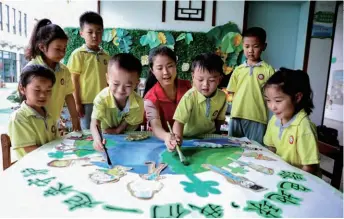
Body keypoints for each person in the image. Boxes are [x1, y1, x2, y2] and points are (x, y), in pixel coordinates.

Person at [25, 18, 80, 130]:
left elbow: (68, 95)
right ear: (42, 47)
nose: (62, 53)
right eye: (57, 48)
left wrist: (75, 118)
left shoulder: (64, 71)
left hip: (52, 124)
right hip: (32, 124)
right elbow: (23, 99)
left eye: (64, 48)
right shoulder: (31, 69)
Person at [263, 68, 320, 175]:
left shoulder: (303, 127)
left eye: (278, 101)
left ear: (297, 97)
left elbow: (310, 167)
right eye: (268, 100)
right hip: (280, 173)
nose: (272, 107)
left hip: (300, 180)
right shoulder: (275, 119)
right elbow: (271, 148)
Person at [227, 27, 275, 144]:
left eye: (255, 46)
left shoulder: (268, 70)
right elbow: (230, 93)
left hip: (257, 118)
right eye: (247, 46)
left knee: (255, 150)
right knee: (232, 148)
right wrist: (230, 110)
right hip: (236, 115)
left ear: (264, 46)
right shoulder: (238, 70)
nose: (250, 50)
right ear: (242, 46)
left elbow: (273, 96)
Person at [91, 53, 144, 151]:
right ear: (107, 79)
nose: (121, 90)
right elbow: (95, 122)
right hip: (106, 134)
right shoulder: (101, 99)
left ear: (137, 83)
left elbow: (128, 122)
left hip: (128, 136)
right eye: (116, 84)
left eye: (128, 86)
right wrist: (97, 139)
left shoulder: (138, 102)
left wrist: (117, 130)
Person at [172, 53, 227, 146]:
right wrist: (177, 140)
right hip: (188, 139)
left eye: (212, 80)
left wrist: (218, 136)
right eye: (200, 80)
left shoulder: (222, 96)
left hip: (210, 138)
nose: (205, 84)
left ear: (219, 79)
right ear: (193, 77)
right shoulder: (189, 97)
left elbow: (219, 121)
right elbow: (179, 122)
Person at [67, 11, 110, 130]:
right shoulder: (78, 54)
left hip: (104, 101)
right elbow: (73, 80)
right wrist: (77, 103)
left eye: (98, 31)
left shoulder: (106, 56)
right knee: (88, 132)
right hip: (86, 103)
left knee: (103, 130)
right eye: (90, 32)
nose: (95, 35)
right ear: (81, 33)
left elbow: (109, 81)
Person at [143, 46, 191, 151]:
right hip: (161, 143)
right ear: (152, 70)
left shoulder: (188, 87)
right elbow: (155, 126)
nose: (165, 72)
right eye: (160, 68)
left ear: (175, 65)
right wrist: (167, 136)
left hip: (189, 141)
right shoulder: (150, 98)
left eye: (170, 66)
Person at [8, 65, 58, 159]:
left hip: (49, 162)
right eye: (37, 90)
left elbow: (56, 142)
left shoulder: (48, 115)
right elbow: (31, 150)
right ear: (23, 89)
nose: (43, 95)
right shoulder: (19, 118)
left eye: (48, 90)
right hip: (32, 168)